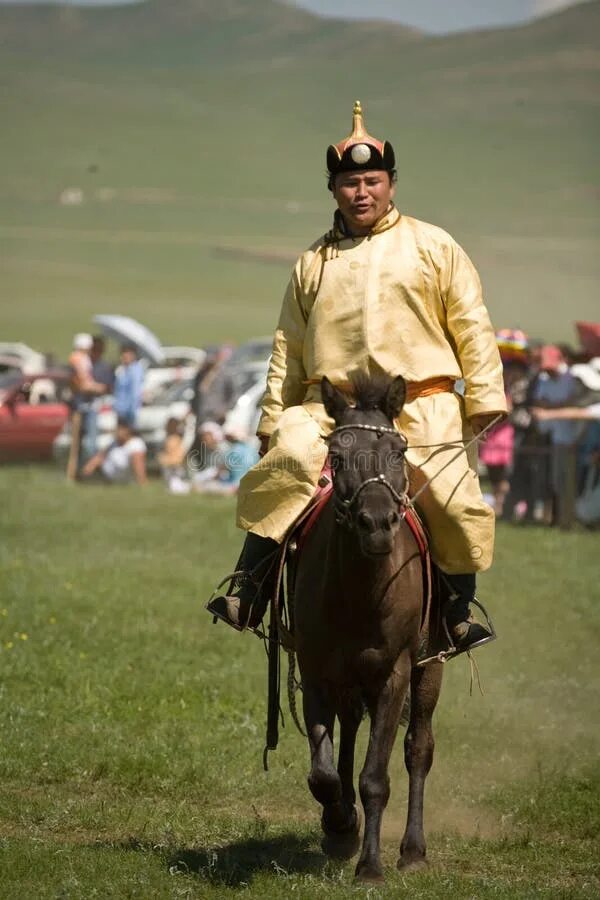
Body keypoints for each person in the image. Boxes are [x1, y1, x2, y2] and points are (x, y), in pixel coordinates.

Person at [207, 101, 507, 652]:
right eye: (349, 182)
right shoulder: (312, 263)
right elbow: (288, 347)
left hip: (419, 405)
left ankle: (459, 614)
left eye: (372, 180)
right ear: (334, 190)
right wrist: (274, 417)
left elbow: (473, 324)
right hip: (332, 411)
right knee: (289, 464)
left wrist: (484, 395)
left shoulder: (435, 246)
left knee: (453, 497)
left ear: (391, 184)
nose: (361, 192)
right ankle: (247, 590)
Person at [67, 333, 107, 478]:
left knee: (90, 443)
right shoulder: (77, 359)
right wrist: (96, 388)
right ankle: (81, 472)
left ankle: (88, 472)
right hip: (80, 405)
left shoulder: (84, 360)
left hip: (90, 405)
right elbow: (82, 384)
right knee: (81, 442)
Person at [81, 418, 147, 485]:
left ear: (127, 430)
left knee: (137, 457)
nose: (117, 432)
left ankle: (141, 482)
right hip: (109, 477)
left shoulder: (136, 443)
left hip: (127, 478)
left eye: (120, 429)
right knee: (96, 460)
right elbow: (100, 456)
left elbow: (139, 463)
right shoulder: (113, 443)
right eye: (117, 429)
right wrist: (89, 467)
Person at [113, 344, 144, 426]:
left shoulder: (135, 369)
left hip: (129, 411)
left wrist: (133, 410)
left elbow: (135, 391)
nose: (124, 356)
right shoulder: (123, 369)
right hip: (120, 409)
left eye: (128, 353)